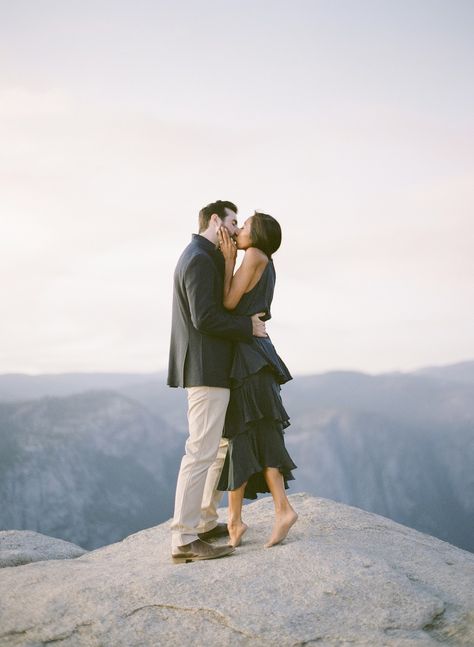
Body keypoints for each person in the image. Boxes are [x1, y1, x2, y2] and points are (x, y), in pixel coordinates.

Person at [167, 200, 268, 563]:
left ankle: (205, 522)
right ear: (214, 220)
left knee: (217, 450)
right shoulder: (197, 258)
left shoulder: (205, 256)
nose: (237, 229)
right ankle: (182, 539)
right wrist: (248, 327)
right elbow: (204, 318)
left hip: (214, 369)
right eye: (233, 222)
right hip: (205, 369)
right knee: (200, 451)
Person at [217, 212, 298, 548]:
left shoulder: (252, 255)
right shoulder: (267, 261)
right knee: (255, 434)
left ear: (259, 234)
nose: (239, 232)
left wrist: (227, 260)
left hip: (248, 358)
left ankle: (251, 518)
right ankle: (240, 521)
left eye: (245, 227)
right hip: (255, 354)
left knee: (242, 434)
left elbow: (228, 303)